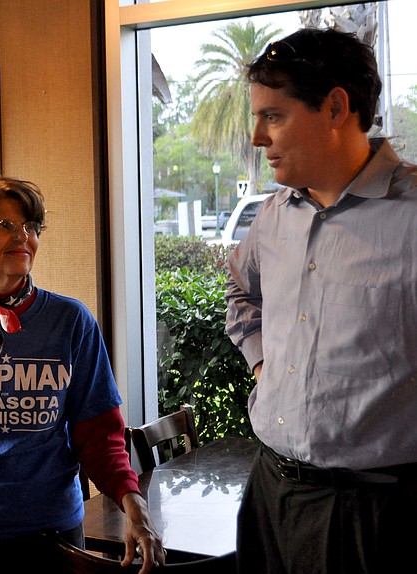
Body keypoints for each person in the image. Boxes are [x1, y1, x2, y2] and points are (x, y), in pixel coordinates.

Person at [226, 28, 417, 573]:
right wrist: (261, 359)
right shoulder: (273, 215)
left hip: (376, 515)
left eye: (274, 116)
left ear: (336, 107)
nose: (257, 137)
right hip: (268, 491)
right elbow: (240, 288)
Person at [0, 176, 165, 574]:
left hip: (54, 533)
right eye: (4, 226)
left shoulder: (71, 321)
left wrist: (133, 504)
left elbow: (99, 437)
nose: (22, 237)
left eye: (29, 227)